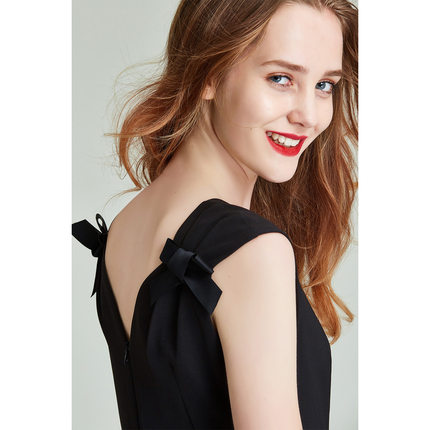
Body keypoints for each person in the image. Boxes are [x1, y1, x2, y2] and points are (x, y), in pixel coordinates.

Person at [72, 0, 358, 428]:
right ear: (208, 73)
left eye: (324, 85)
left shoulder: (127, 225)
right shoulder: (254, 250)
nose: (309, 116)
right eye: (280, 78)